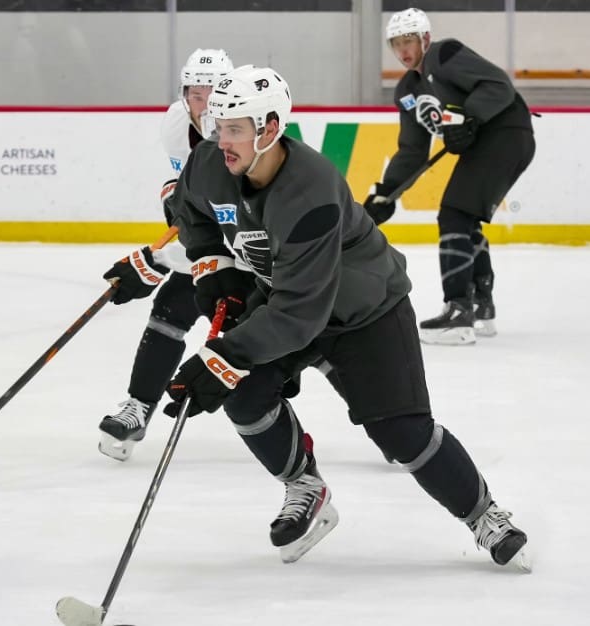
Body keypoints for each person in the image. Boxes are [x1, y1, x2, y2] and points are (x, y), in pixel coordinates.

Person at [156, 64, 529, 568]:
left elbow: (297, 316)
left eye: (236, 129)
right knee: (243, 393)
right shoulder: (210, 161)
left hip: (364, 311)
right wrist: (213, 266)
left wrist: (223, 355)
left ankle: (484, 514)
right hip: (289, 299)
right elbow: (189, 210)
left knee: (401, 434)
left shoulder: (311, 190)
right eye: (219, 127)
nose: (223, 141)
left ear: (270, 128)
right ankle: (305, 487)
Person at [97, 48, 252, 461]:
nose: (202, 104)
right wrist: (174, 202)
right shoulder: (175, 123)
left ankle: (388, 419)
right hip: (208, 247)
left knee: (310, 341)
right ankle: (138, 406)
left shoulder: (246, 125)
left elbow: (235, 212)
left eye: (212, 93)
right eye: (194, 94)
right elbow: (188, 196)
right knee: (169, 312)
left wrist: (158, 260)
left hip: (255, 252)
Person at [364, 8, 535, 345]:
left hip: (507, 133)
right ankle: (480, 305)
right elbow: (412, 151)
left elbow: (498, 85)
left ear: (424, 39)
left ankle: (459, 310)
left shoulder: (445, 54)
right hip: (486, 146)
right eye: (396, 44)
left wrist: (470, 117)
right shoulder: (407, 91)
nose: (402, 50)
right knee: (463, 216)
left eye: (408, 41)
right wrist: (386, 192)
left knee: (454, 214)